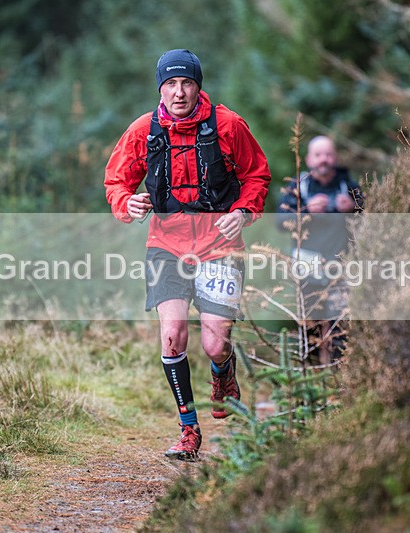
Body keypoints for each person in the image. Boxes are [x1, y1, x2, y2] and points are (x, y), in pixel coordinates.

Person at [104, 49, 271, 461]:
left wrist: (243, 212)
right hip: (166, 245)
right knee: (172, 335)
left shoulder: (228, 125)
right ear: (160, 89)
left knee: (215, 343)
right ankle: (188, 429)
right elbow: (116, 182)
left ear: (198, 87)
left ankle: (223, 372)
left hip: (219, 245)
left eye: (187, 83)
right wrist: (127, 203)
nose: (179, 92)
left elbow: (256, 175)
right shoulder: (143, 130)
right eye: (171, 84)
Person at [276, 135, 363, 363]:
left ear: (335, 158)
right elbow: (280, 222)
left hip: (341, 267)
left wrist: (354, 208)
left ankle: (338, 376)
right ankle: (312, 374)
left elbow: (370, 219)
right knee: (310, 329)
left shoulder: (349, 186)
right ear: (309, 159)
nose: (323, 159)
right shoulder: (298, 187)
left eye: (328, 154)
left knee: (340, 329)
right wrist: (306, 211)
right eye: (318, 155)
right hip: (307, 268)